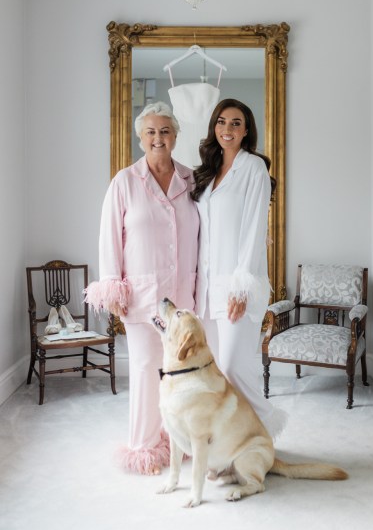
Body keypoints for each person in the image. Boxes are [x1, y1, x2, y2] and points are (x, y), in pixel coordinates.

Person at [85, 102, 199, 475]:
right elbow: (109, 240)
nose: (158, 138)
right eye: (150, 131)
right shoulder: (124, 181)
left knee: (182, 373)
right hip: (142, 297)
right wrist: (114, 290)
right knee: (147, 369)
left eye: (165, 131)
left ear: (176, 135)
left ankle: (179, 441)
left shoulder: (191, 179)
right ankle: (144, 447)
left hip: (183, 297)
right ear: (140, 136)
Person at [191, 98, 286, 438]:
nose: (226, 129)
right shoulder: (207, 174)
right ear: (213, 127)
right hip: (208, 288)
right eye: (221, 122)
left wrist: (241, 288)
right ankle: (231, 443)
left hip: (238, 286)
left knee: (234, 366)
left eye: (235, 123)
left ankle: (263, 431)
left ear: (246, 131)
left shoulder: (254, 169)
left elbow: (254, 230)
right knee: (217, 372)